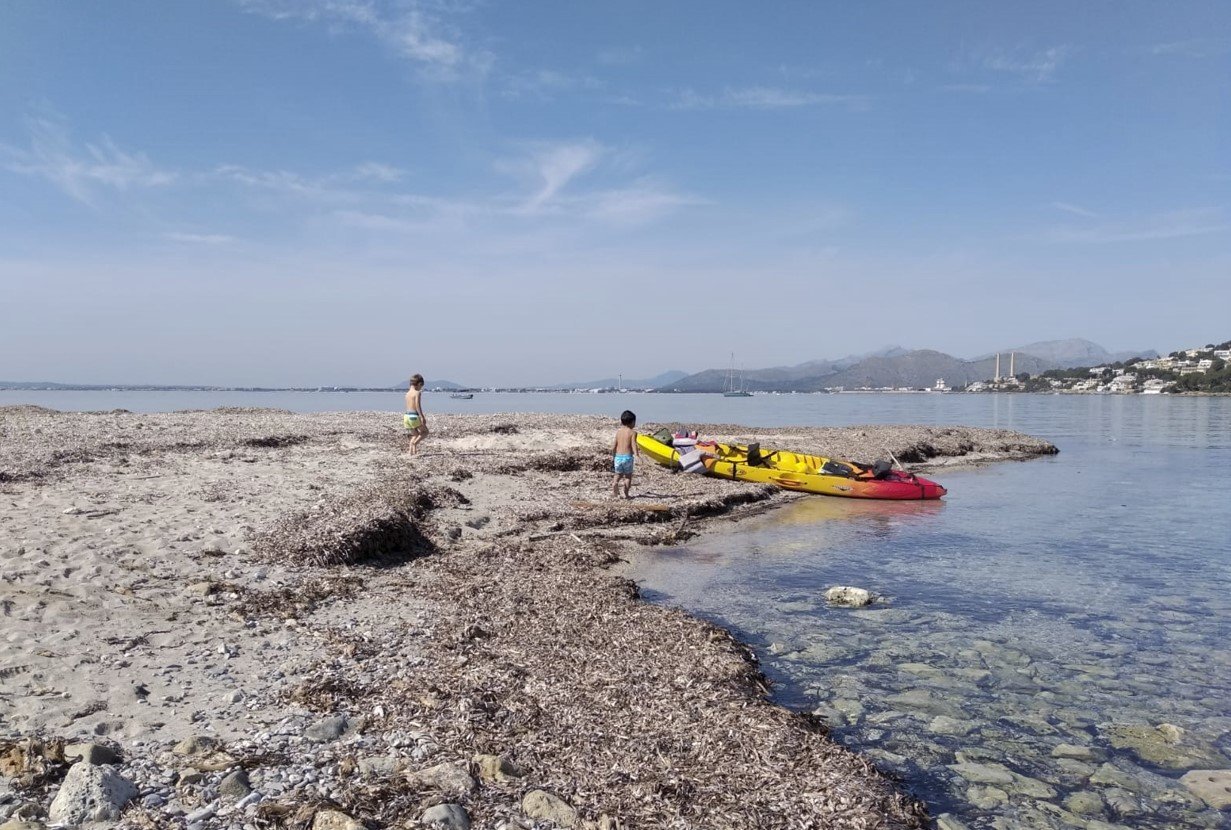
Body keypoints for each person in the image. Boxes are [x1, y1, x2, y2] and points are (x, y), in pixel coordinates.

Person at [611, 410, 641, 499]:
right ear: (632, 422)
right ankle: (626, 494)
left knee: (618, 474)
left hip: (618, 457)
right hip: (627, 457)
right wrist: (637, 455)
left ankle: (615, 483)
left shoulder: (618, 432)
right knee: (628, 476)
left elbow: (614, 446)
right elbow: (633, 444)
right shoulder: (633, 433)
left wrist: (613, 456)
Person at [404, 373, 428, 454]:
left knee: (415, 435)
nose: (421, 388)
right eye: (421, 386)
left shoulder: (407, 394)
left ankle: (411, 452)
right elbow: (417, 405)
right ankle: (415, 443)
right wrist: (422, 416)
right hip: (413, 416)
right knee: (425, 432)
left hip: (406, 416)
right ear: (419, 384)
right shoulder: (417, 393)